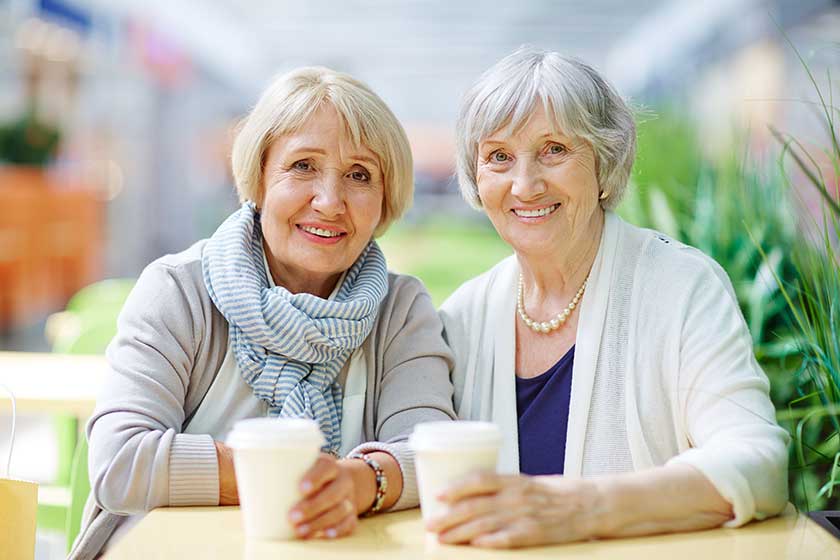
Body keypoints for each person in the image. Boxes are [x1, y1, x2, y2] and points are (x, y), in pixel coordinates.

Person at [69, 67, 456, 560]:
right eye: (302, 167)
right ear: (259, 176)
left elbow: (434, 454)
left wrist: (358, 483)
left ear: (385, 200)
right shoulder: (178, 289)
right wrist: (284, 472)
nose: (329, 201)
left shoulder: (401, 309)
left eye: (359, 175)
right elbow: (119, 463)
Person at [432, 46, 789, 549]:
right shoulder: (464, 315)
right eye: (499, 157)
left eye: (554, 149)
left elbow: (759, 462)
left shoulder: (682, 286)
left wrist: (583, 507)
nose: (525, 184)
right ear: (477, 178)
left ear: (604, 161)